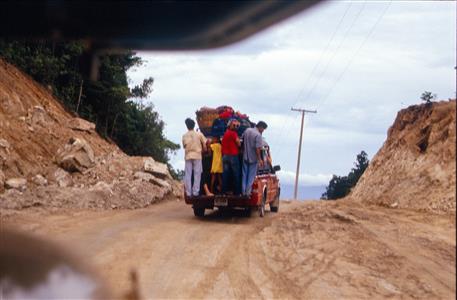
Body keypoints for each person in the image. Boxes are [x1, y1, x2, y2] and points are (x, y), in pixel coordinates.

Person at [241, 121, 268, 196]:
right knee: (251, 177)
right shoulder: (258, 135)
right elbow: (257, 149)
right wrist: (259, 159)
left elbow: (242, 141)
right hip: (253, 159)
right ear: (261, 127)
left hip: (245, 157)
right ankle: (247, 193)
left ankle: (243, 192)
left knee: (244, 175)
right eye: (263, 129)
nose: (263, 131)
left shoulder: (247, 130)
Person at [182, 118, 207, 197]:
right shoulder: (199, 134)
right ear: (194, 125)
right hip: (197, 155)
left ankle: (189, 193)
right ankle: (195, 192)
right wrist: (203, 150)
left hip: (188, 156)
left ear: (187, 126)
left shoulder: (184, 136)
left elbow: (184, 146)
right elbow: (205, 145)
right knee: (197, 174)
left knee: (188, 175)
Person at [221, 119, 241, 195]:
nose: (235, 127)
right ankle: (237, 193)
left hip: (225, 156)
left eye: (236, 125)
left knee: (225, 175)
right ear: (230, 125)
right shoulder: (233, 134)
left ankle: (223, 192)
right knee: (236, 174)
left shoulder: (225, 134)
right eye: (234, 125)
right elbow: (238, 144)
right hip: (233, 156)